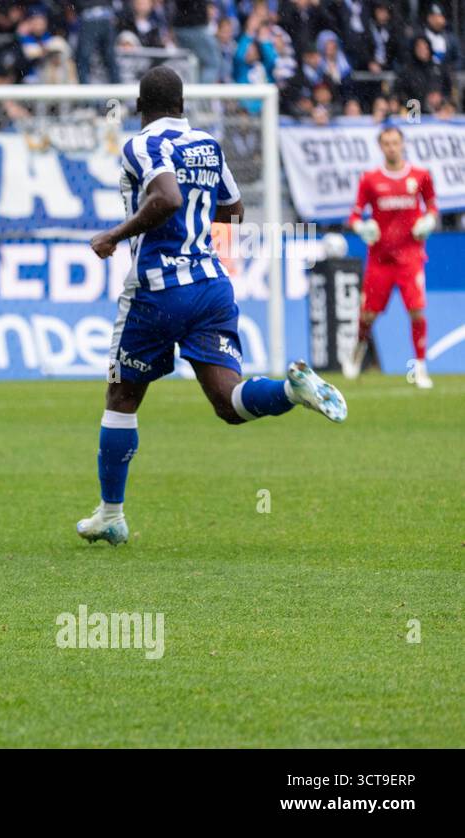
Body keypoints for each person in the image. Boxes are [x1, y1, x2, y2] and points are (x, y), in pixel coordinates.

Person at [80, 66, 347, 546]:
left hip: (158, 290)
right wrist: (196, 238)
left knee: (122, 397)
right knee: (228, 402)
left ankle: (111, 514)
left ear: (141, 106)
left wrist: (114, 237)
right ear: (182, 105)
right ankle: (291, 391)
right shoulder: (207, 144)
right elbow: (235, 210)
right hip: (212, 288)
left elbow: (166, 196)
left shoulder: (141, 145)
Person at [344, 125, 437, 388]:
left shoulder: (421, 176)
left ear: (403, 144)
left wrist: (428, 222)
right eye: (386, 143)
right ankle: (358, 349)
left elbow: (432, 207)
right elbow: (353, 215)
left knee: (417, 310)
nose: (392, 147)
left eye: (395, 142)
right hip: (380, 259)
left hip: (410, 257)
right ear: (381, 146)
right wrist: (362, 227)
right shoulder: (370, 179)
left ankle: (419, 368)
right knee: (369, 315)